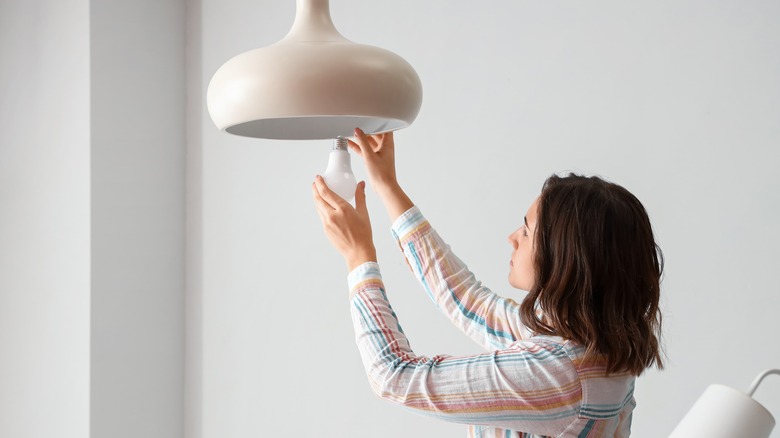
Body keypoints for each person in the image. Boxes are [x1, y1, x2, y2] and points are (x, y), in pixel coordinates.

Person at [311, 128, 664, 438]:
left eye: (526, 231)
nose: (512, 237)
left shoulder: (558, 375)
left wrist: (359, 258)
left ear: (567, 259)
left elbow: (394, 375)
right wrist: (387, 185)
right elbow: (469, 302)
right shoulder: (588, 344)